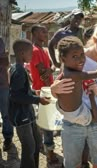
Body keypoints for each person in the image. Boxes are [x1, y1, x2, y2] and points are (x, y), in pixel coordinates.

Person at [51, 19, 97, 168]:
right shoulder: (76, 56)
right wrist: (54, 89)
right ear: (95, 40)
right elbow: (61, 87)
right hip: (73, 122)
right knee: (72, 164)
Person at [8, 39, 50, 168]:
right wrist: (38, 100)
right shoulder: (19, 71)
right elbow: (15, 96)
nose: (32, 55)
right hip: (21, 116)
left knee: (37, 143)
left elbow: (22, 90)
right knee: (29, 148)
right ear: (21, 53)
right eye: (30, 53)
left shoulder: (19, 68)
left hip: (27, 112)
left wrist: (33, 92)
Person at [56, 35, 97, 125]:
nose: (81, 59)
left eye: (82, 54)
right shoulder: (72, 75)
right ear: (63, 59)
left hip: (65, 109)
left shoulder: (65, 69)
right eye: (75, 56)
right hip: (76, 114)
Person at [29, 25, 59, 165]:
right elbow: (44, 74)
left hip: (47, 89)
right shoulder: (34, 51)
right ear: (34, 33)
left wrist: (49, 69)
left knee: (44, 121)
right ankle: (50, 153)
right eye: (43, 31)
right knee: (48, 124)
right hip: (43, 91)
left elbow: (52, 66)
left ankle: (42, 145)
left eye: (46, 31)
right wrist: (49, 71)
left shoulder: (44, 50)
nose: (46, 33)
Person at [0, 37, 14, 151]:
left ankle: (8, 138)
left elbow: (5, 62)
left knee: (6, 114)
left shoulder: (0, 40)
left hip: (3, 85)